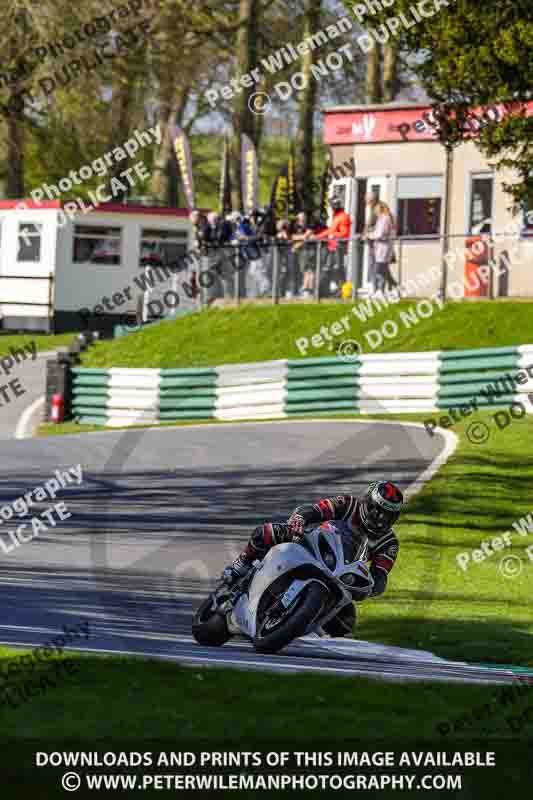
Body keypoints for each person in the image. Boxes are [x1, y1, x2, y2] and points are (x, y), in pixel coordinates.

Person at [222, 480, 403, 637]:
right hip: (314, 544)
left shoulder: (389, 543)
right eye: (376, 510)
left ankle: (298, 621)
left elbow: (380, 574)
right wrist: (300, 519)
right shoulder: (348, 504)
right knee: (268, 532)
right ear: (366, 502)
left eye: (387, 515)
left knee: (345, 624)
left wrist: (371, 588)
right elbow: (315, 510)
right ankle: (241, 565)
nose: (380, 518)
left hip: (341, 573)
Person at [309, 198, 352, 295]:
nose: (331, 207)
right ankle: (323, 291)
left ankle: (345, 291)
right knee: (329, 269)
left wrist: (335, 235)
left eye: (332, 205)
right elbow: (330, 231)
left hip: (338, 247)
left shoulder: (343, 217)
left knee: (338, 269)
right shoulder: (336, 216)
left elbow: (345, 232)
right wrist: (317, 236)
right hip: (332, 247)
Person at [371, 202, 398, 294]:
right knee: (384, 268)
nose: (375, 211)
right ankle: (392, 287)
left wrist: (370, 235)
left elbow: (380, 233)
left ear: (380, 209)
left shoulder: (385, 218)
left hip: (384, 247)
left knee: (379, 268)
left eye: (376, 209)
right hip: (380, 247)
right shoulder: (381, 219)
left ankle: (393, 285)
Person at [362, 192, 378, 291]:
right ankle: (374, 287)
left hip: (377, 243)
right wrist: (364, 234)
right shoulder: (372, 209)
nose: (365, 201)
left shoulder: (377, 209)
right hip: (372, 242)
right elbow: (368, 224)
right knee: (373, 264)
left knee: (377, 265)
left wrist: (367, 234)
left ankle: (377, 288)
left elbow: (374, 225)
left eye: (366, 199)